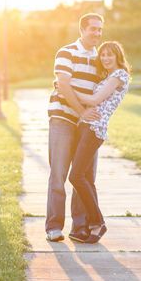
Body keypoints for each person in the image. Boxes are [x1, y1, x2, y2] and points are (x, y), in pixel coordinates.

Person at [64, 41, 131, 244]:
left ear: (118, 56)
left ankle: (98, 221)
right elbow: (92, 100)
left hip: (95, 129)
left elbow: (94, 101)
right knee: (83, 177)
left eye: (110, 54)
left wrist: (67, 89)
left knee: (75, 176)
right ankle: (89, 225)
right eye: (102, 55)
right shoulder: (107, 77)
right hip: (85, 127)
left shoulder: (120, 75)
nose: (106, 58)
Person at [45, 13, 104, 241]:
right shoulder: (66, 52)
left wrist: (90, 117)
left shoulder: (100, 58)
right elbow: (63, 86)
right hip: (64, 119)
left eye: (100, 29)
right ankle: (53, 227)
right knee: (58, 173)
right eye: (93, 29)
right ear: (82, 30)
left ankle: (78, 227)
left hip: (87, 126)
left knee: (82, 176)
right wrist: (81, 112)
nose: (97, 33)